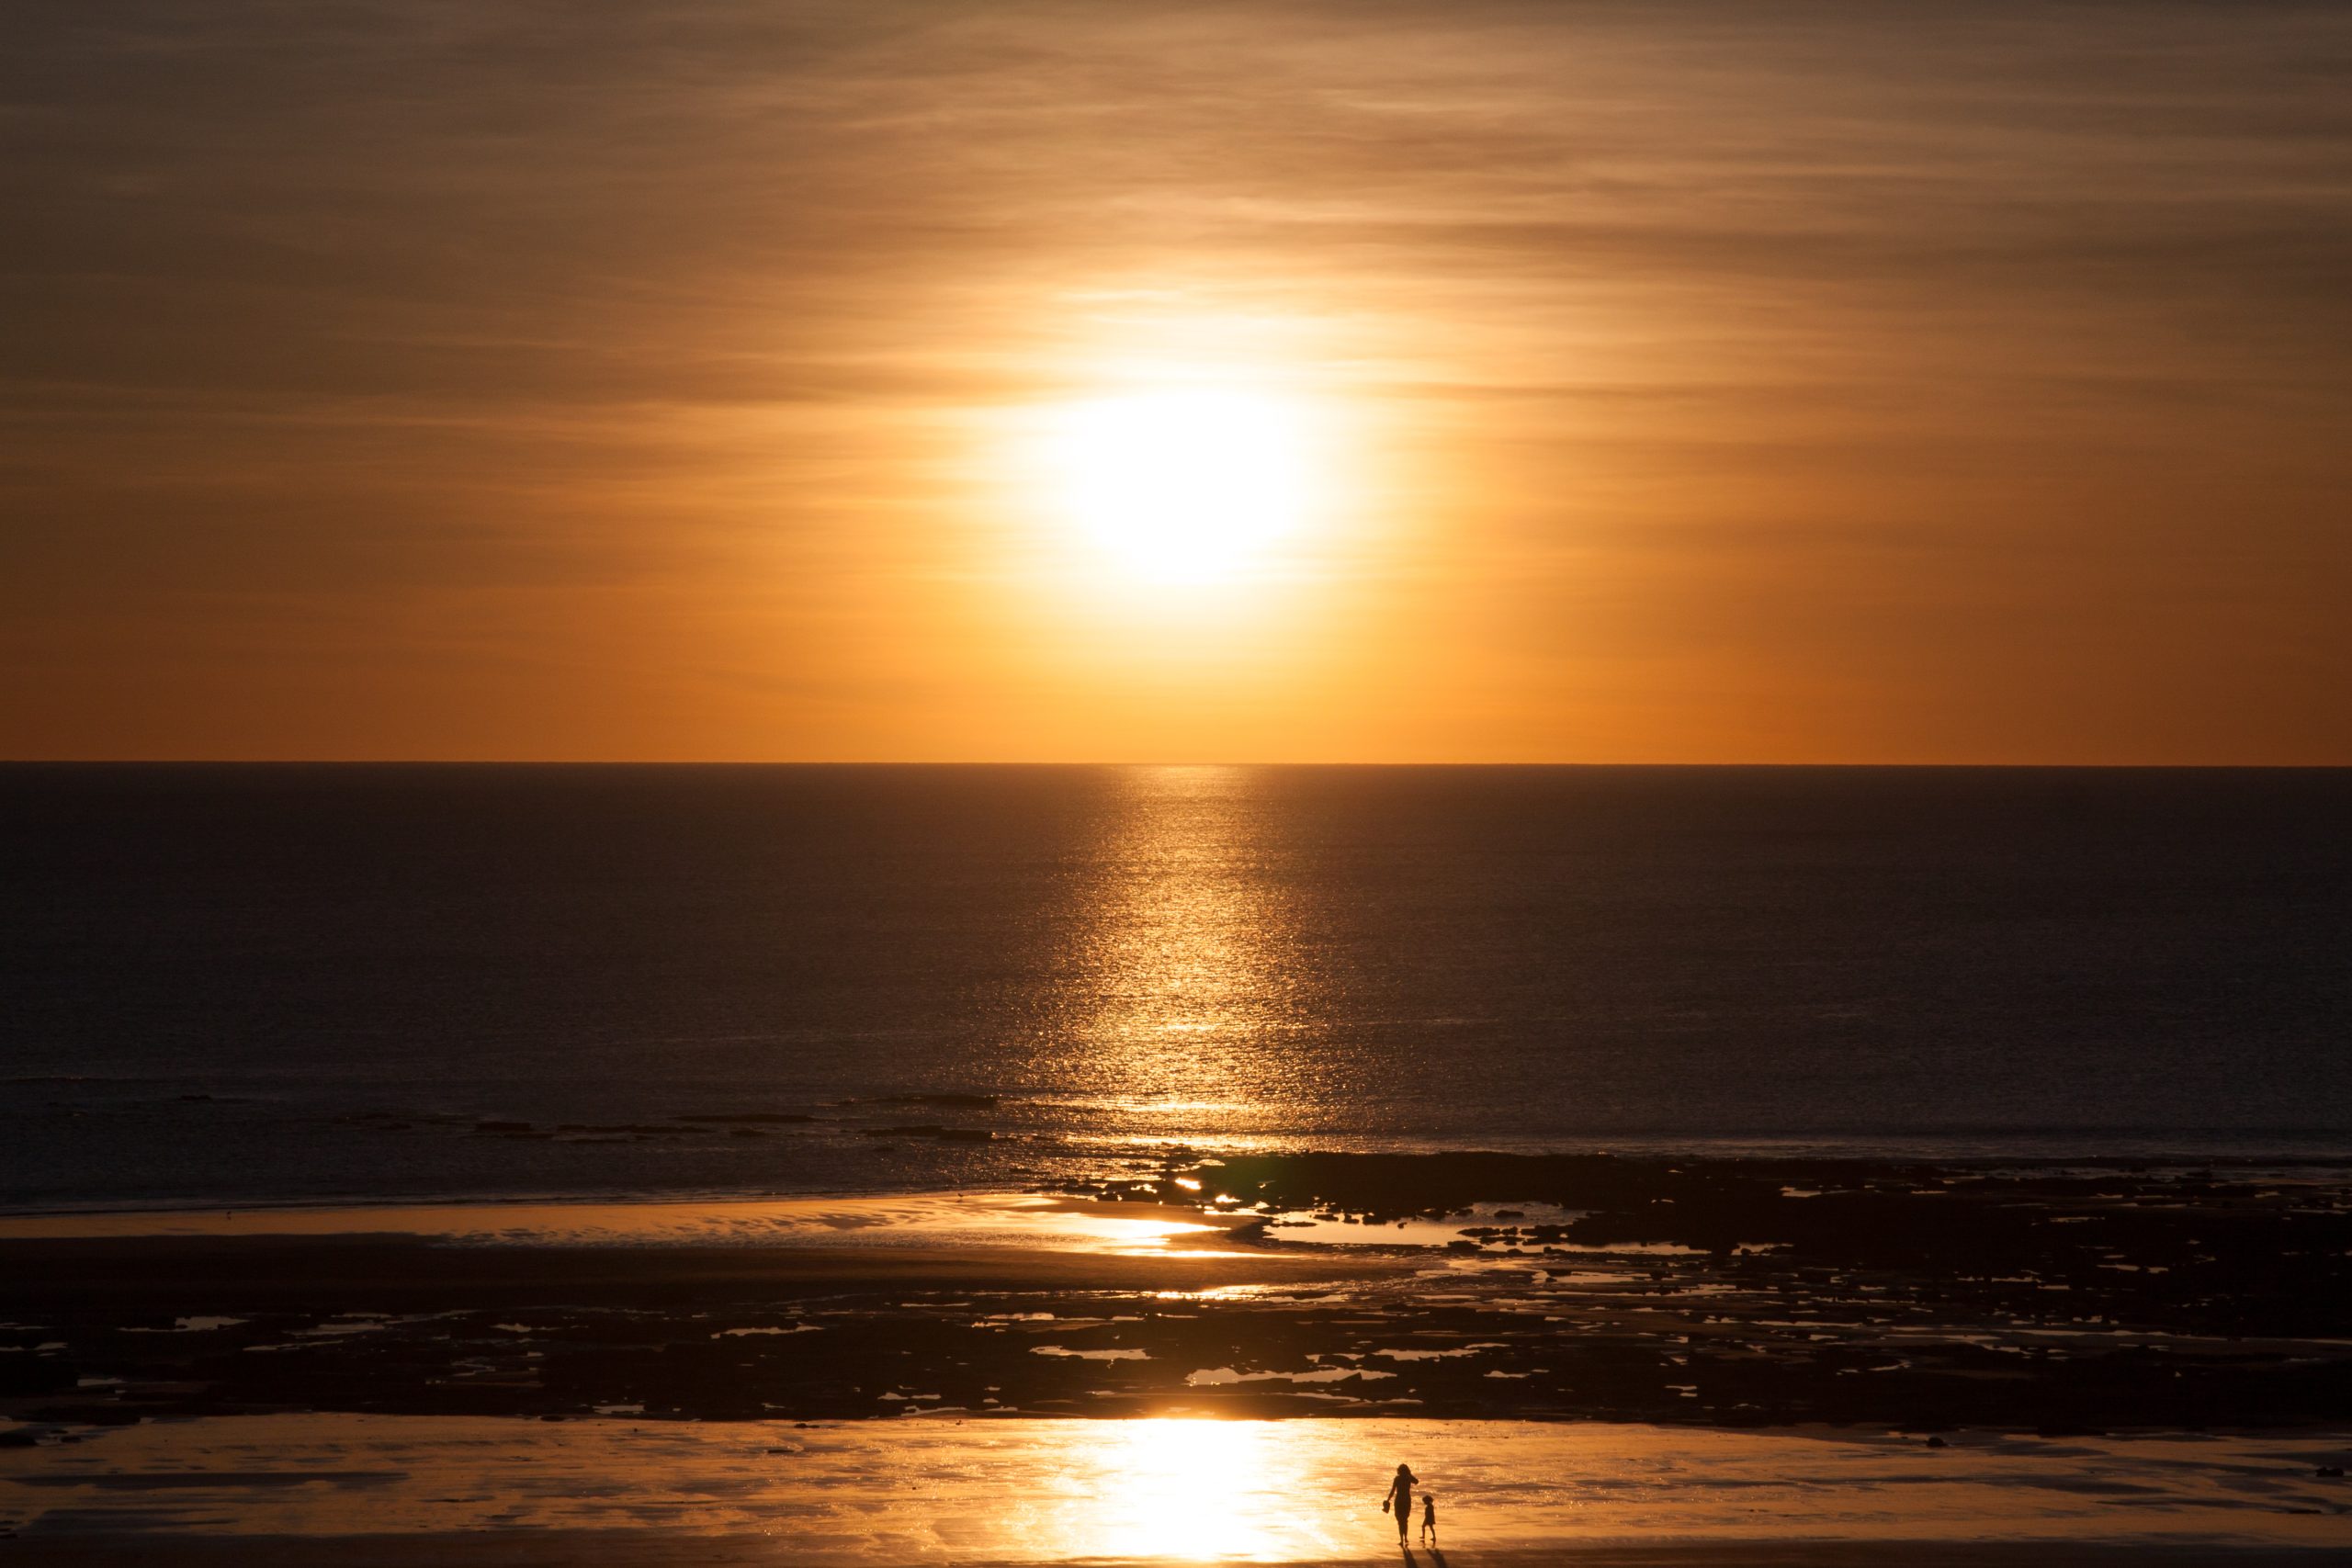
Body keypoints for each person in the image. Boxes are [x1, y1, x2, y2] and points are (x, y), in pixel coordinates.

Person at [1382, 1463, 1418, 1544]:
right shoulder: (1408, 1478)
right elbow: (1416, 1482)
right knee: (1405, 1520)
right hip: (1406, 1500)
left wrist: (1388, 1499)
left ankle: (1402, 1540)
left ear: (1399, 1471)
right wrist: (1409, 1474)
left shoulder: (1397, 1479)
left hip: (1399, 1500)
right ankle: (1406, 1538)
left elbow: (1393, 1490)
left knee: (1400, 1521)